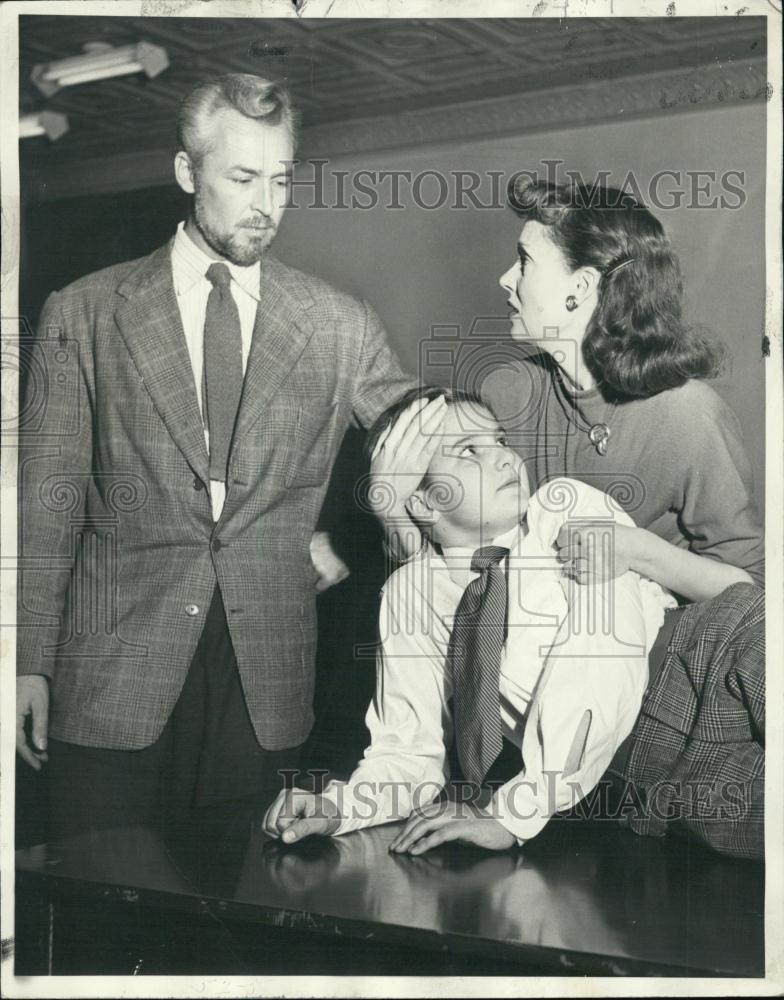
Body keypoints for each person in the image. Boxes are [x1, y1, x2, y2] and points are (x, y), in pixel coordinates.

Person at [15, 73, 422, 837]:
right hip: (108, 680)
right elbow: (48, 504)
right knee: (101, 925)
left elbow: (423, 440)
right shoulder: (84, 311)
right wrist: (25, 661)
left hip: (263, 687)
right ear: (187, 172)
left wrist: (356, 535)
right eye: (242, 178)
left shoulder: (339, 325)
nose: (266, 204)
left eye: (280, 179)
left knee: (240, 926)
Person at [263, 388, 762, 857]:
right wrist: (339, 807)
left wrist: (515, 813)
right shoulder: (409, 595)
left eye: (500, 440)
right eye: (468, 450)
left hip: (715, 659)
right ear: (420, 500)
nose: (503, 456)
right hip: (646, 769)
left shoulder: (563, 512)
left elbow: (597, 665)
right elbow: (410, 750)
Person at [374, 177, 765, 590]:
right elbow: (443, 570)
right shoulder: (504, 392)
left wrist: (638, 552)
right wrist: (392, 511)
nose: (506, 279)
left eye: (524, 262)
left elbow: (752, 589)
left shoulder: (691, 415)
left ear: (580, 288)